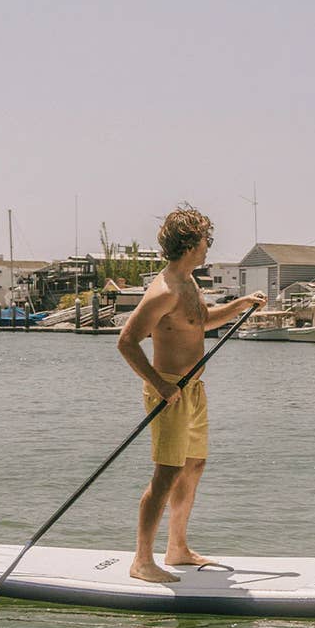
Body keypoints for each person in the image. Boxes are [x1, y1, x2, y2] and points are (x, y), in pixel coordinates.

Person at [118, 205, 266, 582]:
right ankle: (142, 561)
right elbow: (128, 342)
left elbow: (201, 321)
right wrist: (159, 384)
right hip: (169, 392)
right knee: (165, 474)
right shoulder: (164, 291)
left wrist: (239, 305)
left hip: (194, 391)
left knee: (193, 466)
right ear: (188, 244)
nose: (208, 247)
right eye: (205, 240)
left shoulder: (190, 282)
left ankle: (177, 548)